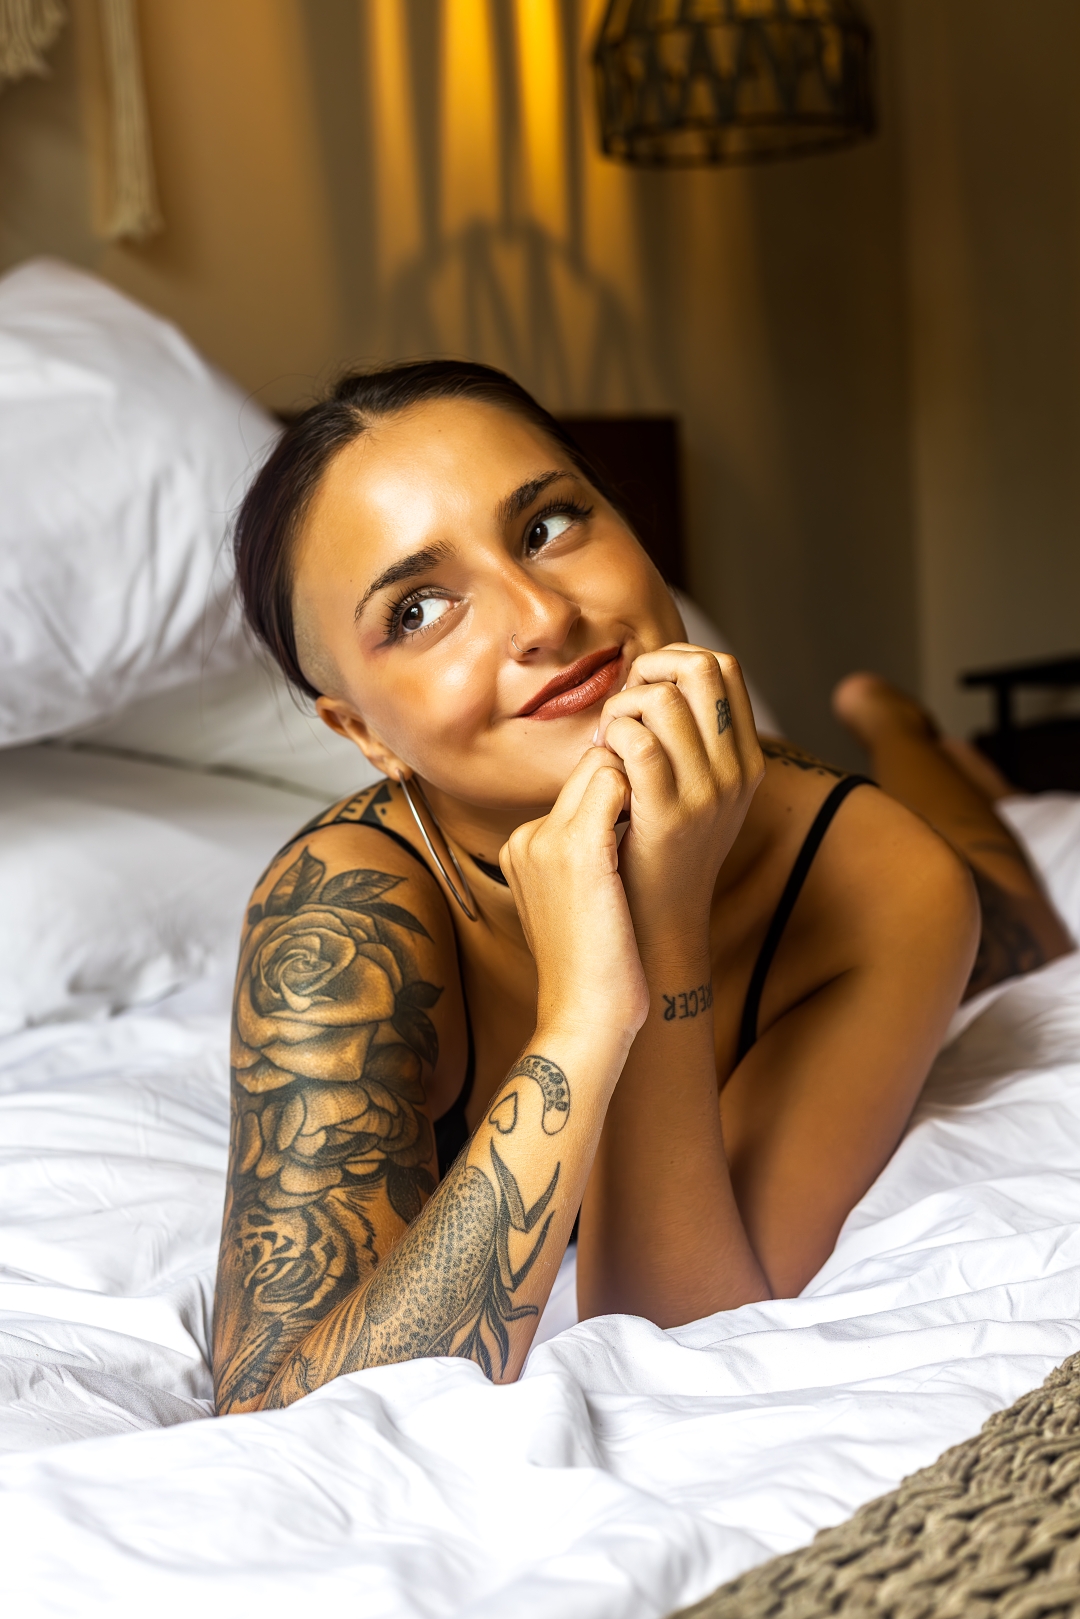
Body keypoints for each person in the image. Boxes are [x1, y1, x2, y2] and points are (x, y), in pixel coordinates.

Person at [212, 362, 1072, 1415]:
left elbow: (671, 1322)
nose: (541, 615)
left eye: (547, 525)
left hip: (845, 838)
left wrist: (661, 921)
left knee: (1014, 914)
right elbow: (270, 1409)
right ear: (362, 733)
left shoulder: (880, 874)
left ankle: (903, 731)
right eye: (421, 607)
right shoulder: (345, 914)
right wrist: (584, 1017)